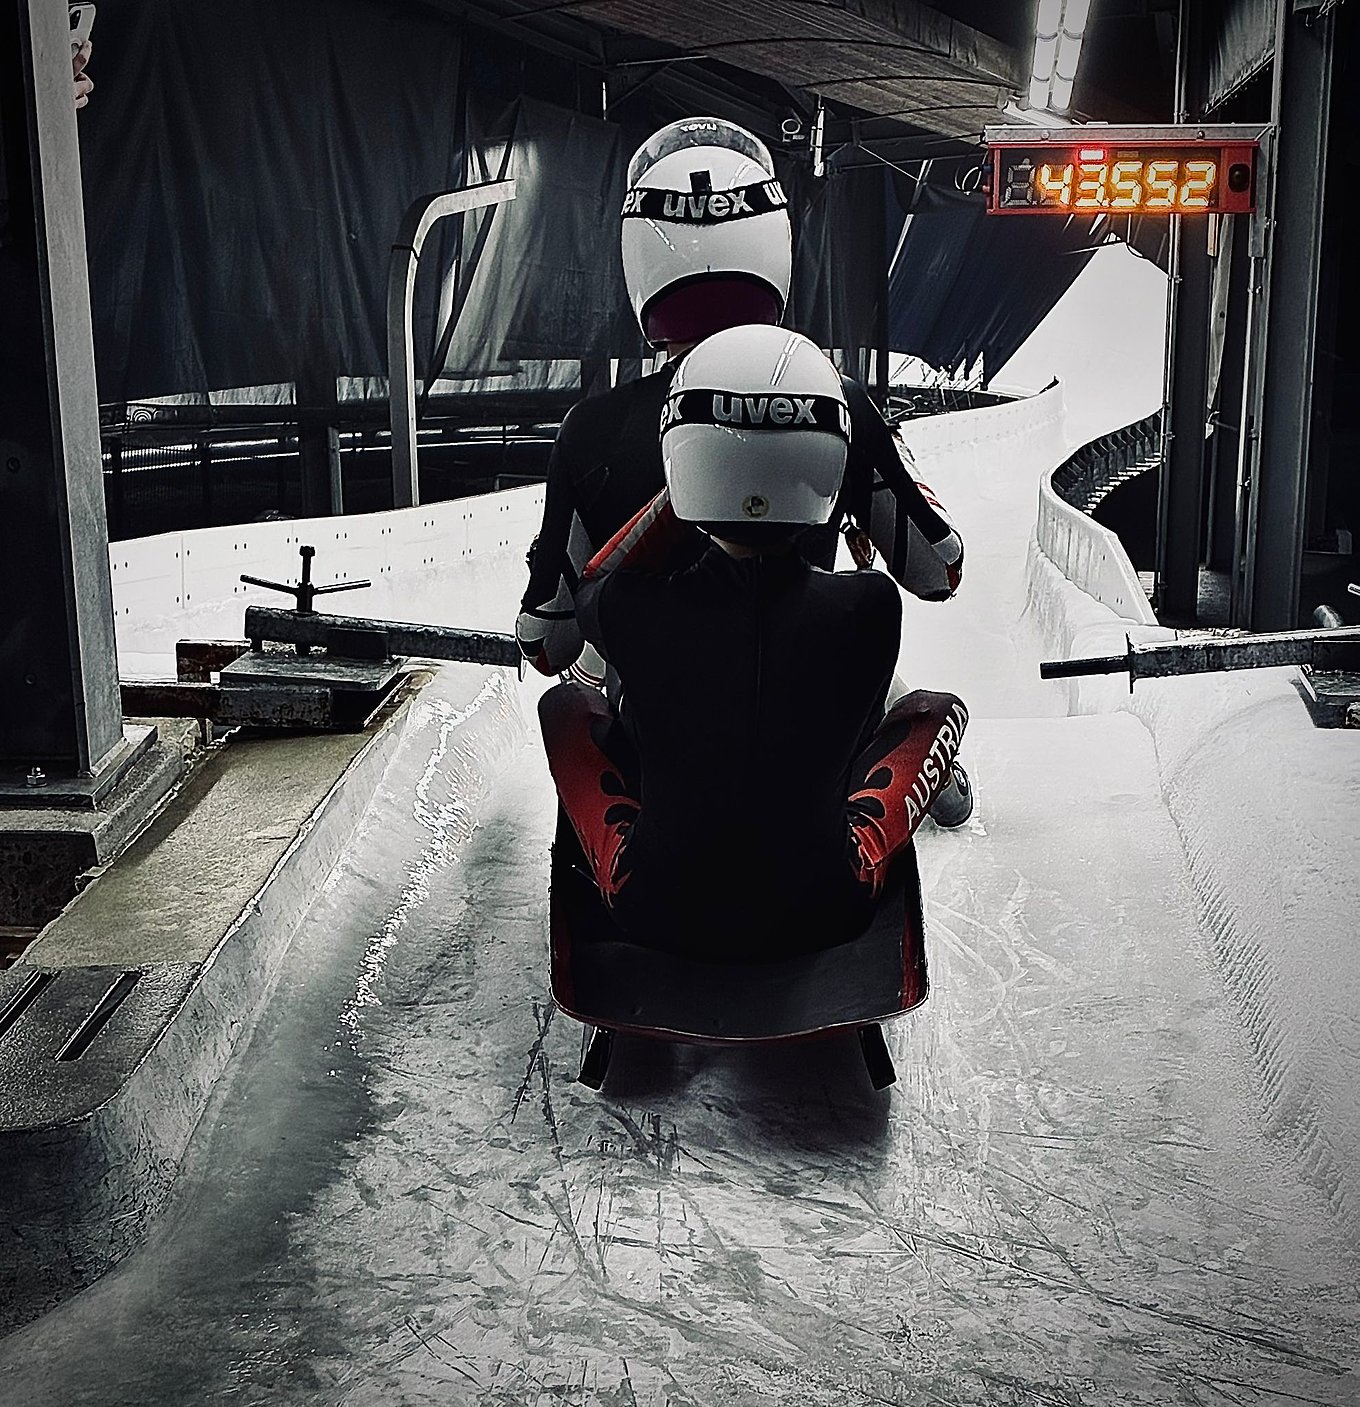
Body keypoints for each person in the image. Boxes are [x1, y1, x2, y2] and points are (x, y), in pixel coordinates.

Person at [537, 326, 969, 961]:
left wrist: (685, 490)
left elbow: (591, 586)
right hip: (828, 906)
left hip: (654, 907)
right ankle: (882, 828)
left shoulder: (632, 610)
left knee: (564, 705)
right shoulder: (871, 607)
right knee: (937, 708)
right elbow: (940, 567)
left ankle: (614, 855)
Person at [516, 117, 966, 676]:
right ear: (773, 242)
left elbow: (544, 641)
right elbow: (937, 569)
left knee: (577, 700)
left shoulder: (592, 427)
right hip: (808, 711)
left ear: (640, 255)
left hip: (658, 728)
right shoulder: (838, 401)